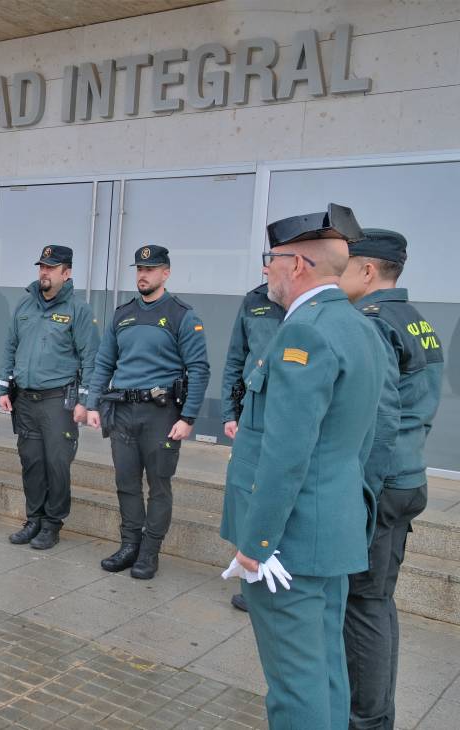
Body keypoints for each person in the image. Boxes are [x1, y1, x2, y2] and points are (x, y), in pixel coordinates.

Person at [220, 204, 392, 730]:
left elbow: (286, 454)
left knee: (295, 686)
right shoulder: (361, 327)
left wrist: (257, 545)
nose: (265, 271)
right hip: (330, 530)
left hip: (288, 542)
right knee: (326, 668)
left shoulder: (304, 333)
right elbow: (370, 440)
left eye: (269, 260)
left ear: (297, 264)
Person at [340, 228, 444, 730]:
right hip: (408, 477)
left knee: (363, 604)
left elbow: (376, 419)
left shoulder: (373, 324)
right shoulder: (418, 321)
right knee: (376, 602)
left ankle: (368, 719)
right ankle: (373, 712)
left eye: (345, 264)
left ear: (367, 270)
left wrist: (361, 490)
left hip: (381, 483)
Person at [86, 245, 210, 580]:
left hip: (162, 415)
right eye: (140, 269)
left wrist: (188, 418)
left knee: (158, 485)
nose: (143, 275)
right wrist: (94, 402)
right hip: (123, 411)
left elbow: (199, 369)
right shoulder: (122, 313)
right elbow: (104, 361)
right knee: (126, 482)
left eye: (151, 269)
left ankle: (149, 552)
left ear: (165, 273)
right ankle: (129, 545)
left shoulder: (182, 314)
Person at [0, 245, 98, 549]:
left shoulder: (78, 310)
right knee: (31, 461)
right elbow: (10, 346)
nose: (44, 272)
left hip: (58, 400)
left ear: (66, 273)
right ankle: (34, 519)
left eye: (51, 268)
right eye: (41, 266)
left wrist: (85, 401)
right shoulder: (25, 305)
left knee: (56, 462)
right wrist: (4, 388)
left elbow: (91, 357)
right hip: (26, 399)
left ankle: (52, 524)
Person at [221, 282, 285, 613]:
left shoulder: (308, 301)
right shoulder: (254, 301)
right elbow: (236, 357)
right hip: (253, 411)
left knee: (279, 490)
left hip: (288, 411)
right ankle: (251, 581)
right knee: (245, 493)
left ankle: (275, 578)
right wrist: (229, 412)